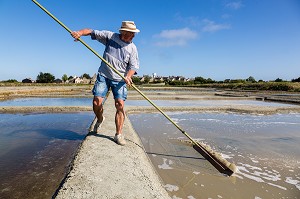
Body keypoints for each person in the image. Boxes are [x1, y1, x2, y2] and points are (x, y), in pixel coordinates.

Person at [71, 21, 140, 146]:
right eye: (131, 33)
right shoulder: (110, 36)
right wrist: (79, 33)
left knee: (120, 105)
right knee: (96, 102)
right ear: (123, 32)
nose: (133, 36)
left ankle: (118, 134)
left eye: (134, 34)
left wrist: (128, 76)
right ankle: (100, 118)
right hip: (104, 75)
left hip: (120, 79)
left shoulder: (133, 48)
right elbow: (91, 31)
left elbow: (134, 66)